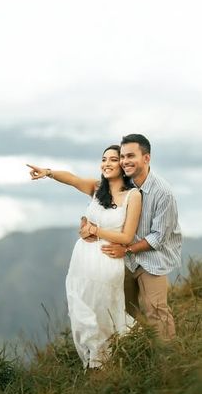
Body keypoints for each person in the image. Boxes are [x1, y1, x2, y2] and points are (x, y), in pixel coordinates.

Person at [27, 145, 142, 369]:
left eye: (113, 159)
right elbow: (71, 178)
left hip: (107, 260)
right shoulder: (97, 188)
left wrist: (95, 231)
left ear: (123, 164)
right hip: (82, 260)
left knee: (102, 314)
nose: (106, 163)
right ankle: (95, 363)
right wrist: (48, 172)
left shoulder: (133, 195)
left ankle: (103, 365)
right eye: (103, 159)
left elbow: (127, 236)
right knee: (80, 313)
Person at [83, 134, 181, 340]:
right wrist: (86, 227)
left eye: (131, 156)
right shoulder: (118, 186)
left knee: (156, 310)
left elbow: (158, 238)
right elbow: (100, 211)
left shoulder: (163, 193)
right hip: (123, 260)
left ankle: (170, 364)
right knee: (123, 310)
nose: (125, 161)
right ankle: (141, 353)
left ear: (146, 158)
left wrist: (127, 248)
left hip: (153, 259)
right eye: (123, 156)